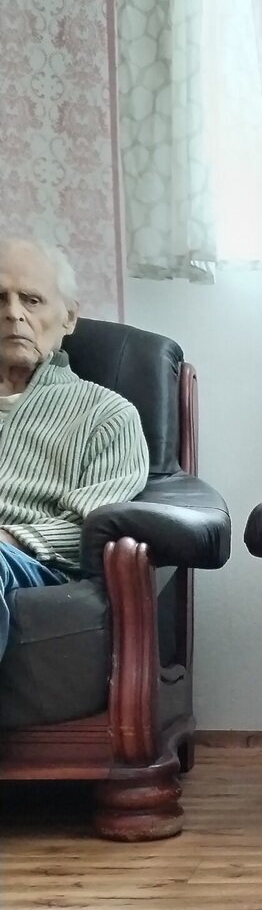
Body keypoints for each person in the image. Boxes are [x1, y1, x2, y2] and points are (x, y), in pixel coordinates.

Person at [0, 238, 150, 662]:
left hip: (31, 565)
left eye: (31, 300)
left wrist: (9, 537)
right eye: (0, 299)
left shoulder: (107, 414)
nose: (13, 313)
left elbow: (95, 522)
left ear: (68, 317)